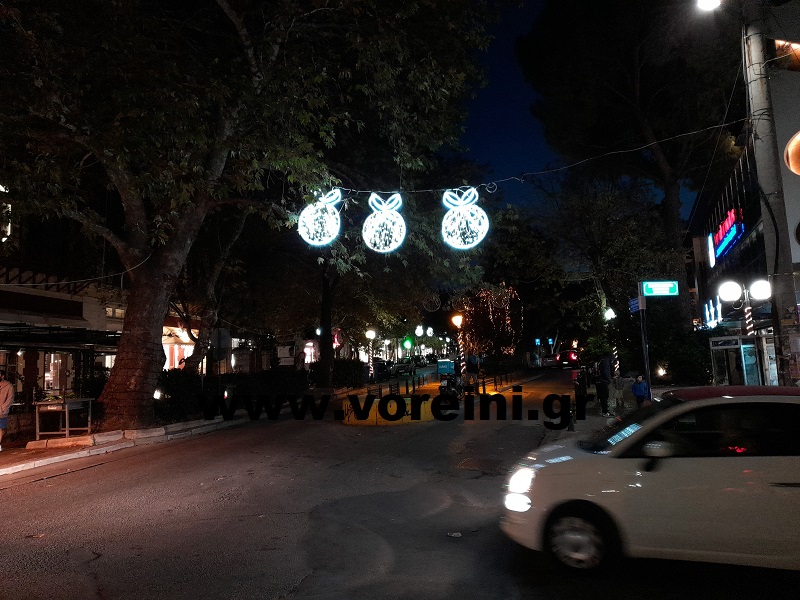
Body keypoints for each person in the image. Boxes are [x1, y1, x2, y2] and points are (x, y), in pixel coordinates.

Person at [0, 369, 15, 452]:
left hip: (2, 412)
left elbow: (10, 399)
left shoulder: (8, 386)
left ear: (2, 376)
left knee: (1, 428)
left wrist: (3, 408)